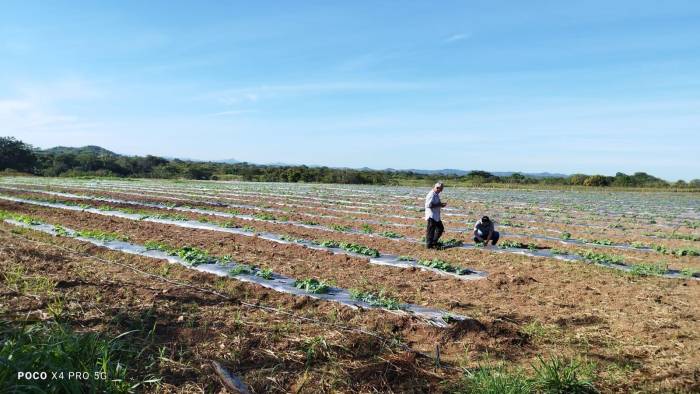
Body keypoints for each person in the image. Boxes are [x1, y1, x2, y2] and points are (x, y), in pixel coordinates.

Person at [425, 182, 446, 248]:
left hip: (436, 216)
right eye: (441, 189)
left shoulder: (436, 194)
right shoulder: (431, 194)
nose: (442, 190)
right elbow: (428, 205)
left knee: (440, 228)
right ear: (437, 188)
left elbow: (436, 203)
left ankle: (434, 242)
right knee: (431, 231)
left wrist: (441, 204)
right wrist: (439, 205)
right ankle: (429, 245)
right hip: (431, 216)